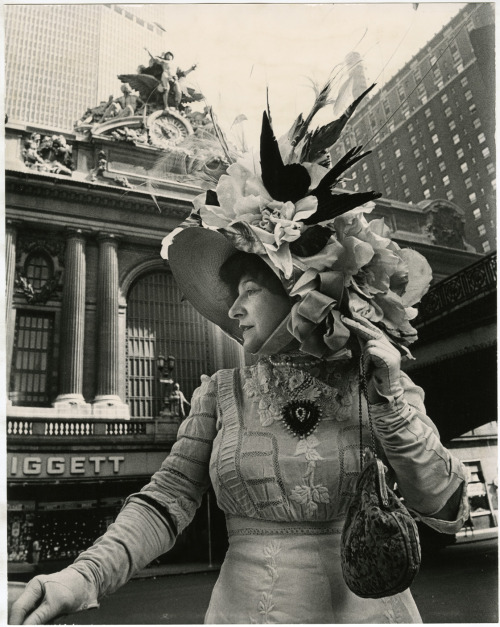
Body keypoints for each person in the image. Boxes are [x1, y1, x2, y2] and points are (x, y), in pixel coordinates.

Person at [10, 90, 469, 626]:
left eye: (249, 288)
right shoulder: (221, 393)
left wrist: (389, 401)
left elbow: (442, 503)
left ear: (299, 285)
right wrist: (82, 575)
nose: (235, 307)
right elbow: (167, 500)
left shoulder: (379, 385)